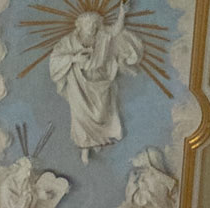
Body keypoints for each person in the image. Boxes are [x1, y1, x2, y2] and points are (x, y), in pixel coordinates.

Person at [49, 3, 142, 162]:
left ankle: (99, 139)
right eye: (88, 24)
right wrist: (73, 58)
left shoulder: (101, 37)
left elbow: (115, 31)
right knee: (80, 115)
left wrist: (122, 14)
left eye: (94, 24)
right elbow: (55, 59)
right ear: (80, 25)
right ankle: (85, 146)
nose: (91, 27)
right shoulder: (69, 41)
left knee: (101, 113)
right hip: (77, 82)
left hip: (99, 81)